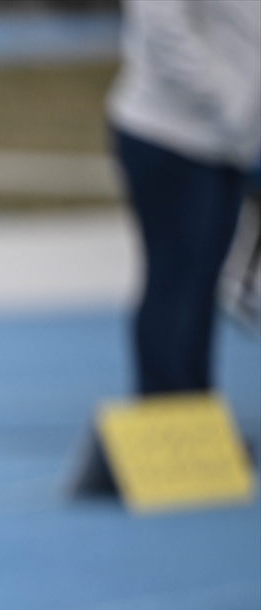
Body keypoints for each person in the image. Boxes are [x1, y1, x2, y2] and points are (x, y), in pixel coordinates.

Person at [107, 0, 261, 394]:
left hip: (228, 142)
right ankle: (165, 420)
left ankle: (195, 419)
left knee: (200, 288)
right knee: (174, 285)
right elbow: (161, 20)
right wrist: (228, 101)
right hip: (171, 136)